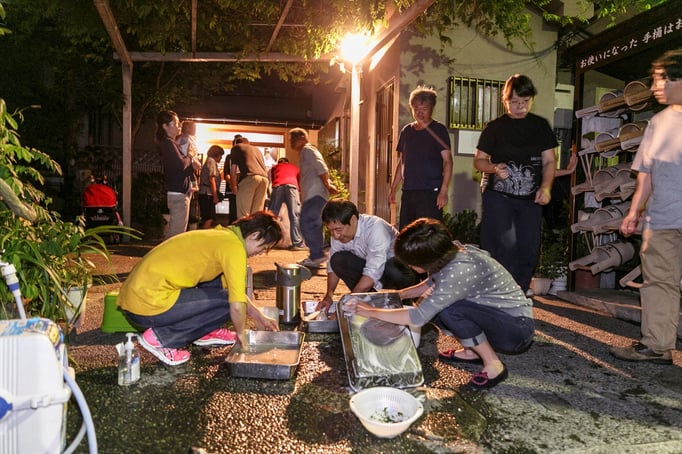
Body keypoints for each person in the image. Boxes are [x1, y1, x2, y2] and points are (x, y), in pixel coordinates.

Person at [342, 218, 534, 390]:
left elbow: (417, 317)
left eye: (411, 263)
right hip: (496, 316)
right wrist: (399, 294)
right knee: (435, 306)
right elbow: (432, 282)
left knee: (448, 309)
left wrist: (370, 311)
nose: (409, 266)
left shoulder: (460, 270)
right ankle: (472, 352)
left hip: (516, 329)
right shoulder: (447, 254)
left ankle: (493, 364)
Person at [118, 211, 283, 366]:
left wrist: (259, 316)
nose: (260, 253)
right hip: (147, 306)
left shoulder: (223, 236)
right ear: (254, 235)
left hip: (137, 301)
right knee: (229, 303)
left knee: (219, 284)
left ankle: (205, 332)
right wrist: (242, 336)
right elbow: (236, 302)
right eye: (263, 248)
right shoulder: (234, 248)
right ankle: (162, 339)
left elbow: (234, 291)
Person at [610, 49, 682, 365]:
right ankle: (657, 345)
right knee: (659, 283)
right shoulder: (658, 121)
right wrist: (634, 211)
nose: (654, 88)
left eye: (659, 80)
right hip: (662, 217)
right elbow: (646, 173)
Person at [473, 74, 557, 294]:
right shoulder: (495, 128)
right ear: (505, 101)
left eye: (525, 101)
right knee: (503, 246)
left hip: (530, 199)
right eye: (515, 102)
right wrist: (493, 168)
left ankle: (518, 292)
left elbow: (550, 161)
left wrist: (546, 187)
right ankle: (499, 292)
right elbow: (479, 160)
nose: (520, 107)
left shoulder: (540, 126)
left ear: (532, 99)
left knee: (528, 247)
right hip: (499, 197)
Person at [316, 199, 420, 314]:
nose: (335, 236)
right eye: (331, 231)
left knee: (394, 268)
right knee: (337, 260)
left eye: (338, 230)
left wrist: (347, 303)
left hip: (398, 272)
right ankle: (368, 301)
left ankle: (406, 304)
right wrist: (329, 296)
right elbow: (332, 266)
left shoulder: (375, 228)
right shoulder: (338, 235)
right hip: (372, 272)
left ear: (353, 219)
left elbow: (374, 270)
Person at [389, 86, 453, 230]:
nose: (420, 112)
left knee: (429, 232)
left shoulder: (439, 130)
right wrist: (393, 187)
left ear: (431, 109)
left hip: (430, 191)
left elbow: (448, 161)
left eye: (424, 109)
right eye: (416, 108)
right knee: (407, 232)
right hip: (409, 191)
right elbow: (402, 162)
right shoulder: (406, 131)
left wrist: (443, 190)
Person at [289, 127, 338, 268]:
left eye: (292, 139)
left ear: (301, 138)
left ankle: (317, 254)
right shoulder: (304, 152)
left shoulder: (308, 150)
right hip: (313, 194)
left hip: (315, 193)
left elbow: (320, 166)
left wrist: (328, 184)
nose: (291, 142)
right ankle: (319, 252)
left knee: (308, 222)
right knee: (313, 223)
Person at [156, 111, 202, 239]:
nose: (179, 126)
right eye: (176, 123)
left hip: (179, 192)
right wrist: (190, 157)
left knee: (177, 232)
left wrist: (192, 168)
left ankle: (168, 251)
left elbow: (180, 171)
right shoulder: (168, 143)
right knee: (176, 234)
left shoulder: (171, 143)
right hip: (178, 193)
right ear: (165, 126)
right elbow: (180, 167)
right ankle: (166, 252)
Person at [269, 157, 304, 250]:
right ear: (288, 162)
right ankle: (297, 243)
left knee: (272, 215)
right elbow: (299, 182)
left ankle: (268, 242)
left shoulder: (275, 167)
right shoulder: (295, 168)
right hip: (292, 188)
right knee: (294, 215)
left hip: (278, 187)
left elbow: (273, 180)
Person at [230, 136, 269, 218]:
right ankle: (254, 226)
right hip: (264, 179)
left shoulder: (236, 147)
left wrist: (233, 186)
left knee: (243, 213)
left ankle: (243, 226)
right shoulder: (257, 150)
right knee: (256, 214)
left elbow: (233, 169)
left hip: (250, 178)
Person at [198, 145, 225, 229]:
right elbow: (211, 179)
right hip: (207, 193)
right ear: (217, 154)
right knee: (209, 218)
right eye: (220, 156)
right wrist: (215, 196)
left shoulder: (209, 161)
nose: (221, 158)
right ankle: (204, 235)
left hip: (205, 193)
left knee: (208, 218)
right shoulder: (211, 161)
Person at [176, 120, 199, 192]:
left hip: (189, 162)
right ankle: (193, 187)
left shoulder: (190, 138)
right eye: (194, 127)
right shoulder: (184, 138)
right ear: (188, 128)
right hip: (186, 162)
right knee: (191, 175)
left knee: (192, 175)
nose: (195, 130)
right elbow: (180, 147)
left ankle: (194, 187)